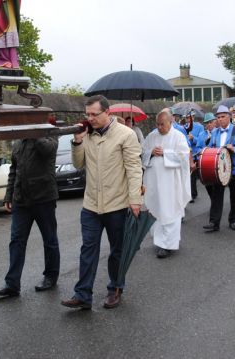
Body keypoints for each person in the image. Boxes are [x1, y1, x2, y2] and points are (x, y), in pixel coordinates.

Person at [61, 95, 143, 310]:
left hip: (117, 204)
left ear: (108, 112)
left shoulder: (126, 135)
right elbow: (79, 165)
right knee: (88, 249)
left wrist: (135, 200)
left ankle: (115, 288)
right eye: (87, 114)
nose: (90, 118)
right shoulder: (86, 134)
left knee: (117, 250)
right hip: (90, 205)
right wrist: (77, 141)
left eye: (94, 114)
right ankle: (82, 295)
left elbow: (134, 169)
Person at [0, 136, 60, 298]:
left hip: (44, 198)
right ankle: (12, 284)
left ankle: (50, 276)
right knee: (16, 241)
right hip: (21, 200)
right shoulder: (18, 141)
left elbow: (47, 150)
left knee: (49, 240)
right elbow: (14, 171)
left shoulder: (49, 136)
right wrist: (8, 196)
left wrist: (34, 133)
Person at [141, 111, 192, 258]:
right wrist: (151, 152)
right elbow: (143, 152)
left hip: (170, 183)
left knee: (170, 210)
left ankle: (168, 245)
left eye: (162, 124)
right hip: (154, 182)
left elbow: (183, 156)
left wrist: (165, 153)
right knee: (156, 209)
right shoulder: (152, 136)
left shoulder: (178, 136)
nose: (159, 127)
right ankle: (159, 242)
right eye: (157, 124)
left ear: (171, 122)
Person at [203, 105, 235, 232]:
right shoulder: (214, 132)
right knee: (217, 196)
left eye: (223, 117)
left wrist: (234, 149)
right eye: (218, 117)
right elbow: (212, 148)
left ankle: (233, 220)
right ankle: (214, 222)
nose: (220, 119)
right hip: (219, 169)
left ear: (229, 117)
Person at [183, 112, 206, 202]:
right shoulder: (183, 127)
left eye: (189, 117)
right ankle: (189, 193)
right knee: (186, 176)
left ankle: (192, 194)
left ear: (193, 117)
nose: (188, 119)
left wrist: (193, 138)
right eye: (186, 118)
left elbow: (201, 141)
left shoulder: (199, 127)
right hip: (186, 153)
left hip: (195, 154)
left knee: (192, 176)